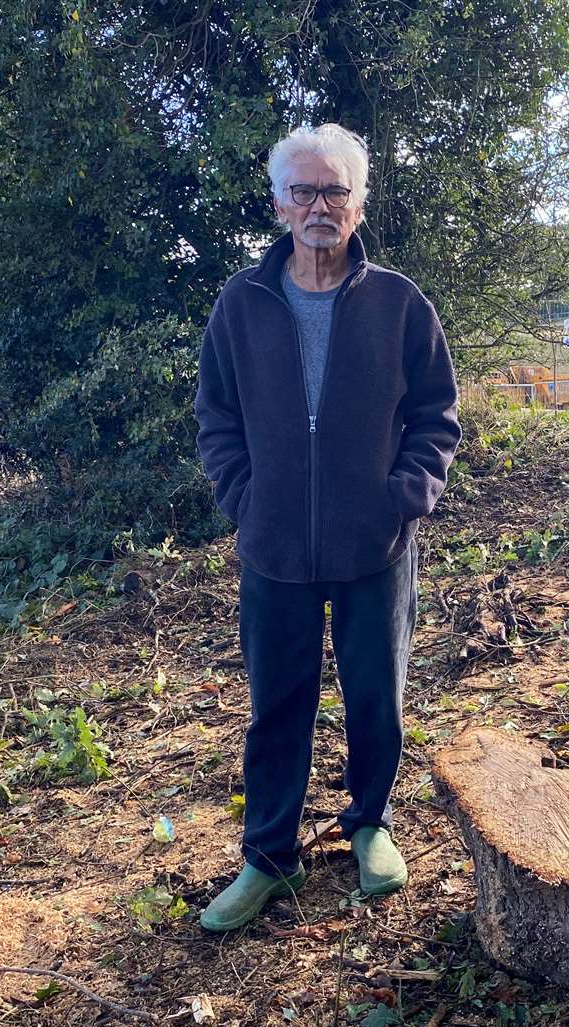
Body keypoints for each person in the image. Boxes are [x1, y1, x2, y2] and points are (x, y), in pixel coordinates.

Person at [192, 123, 462, 932]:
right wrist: (244, 496)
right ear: (278, 204)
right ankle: (268, 858)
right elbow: (216, 418)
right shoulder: (241, 303)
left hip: (373, 542)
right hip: (271, 546)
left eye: (334, 191)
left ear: (358, 203)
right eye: (303, 191)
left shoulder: (399, 302)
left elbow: (435, 415)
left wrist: (403, 495)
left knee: (376, 695)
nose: (319, 206)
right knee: (277, 705)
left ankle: (370, 824)